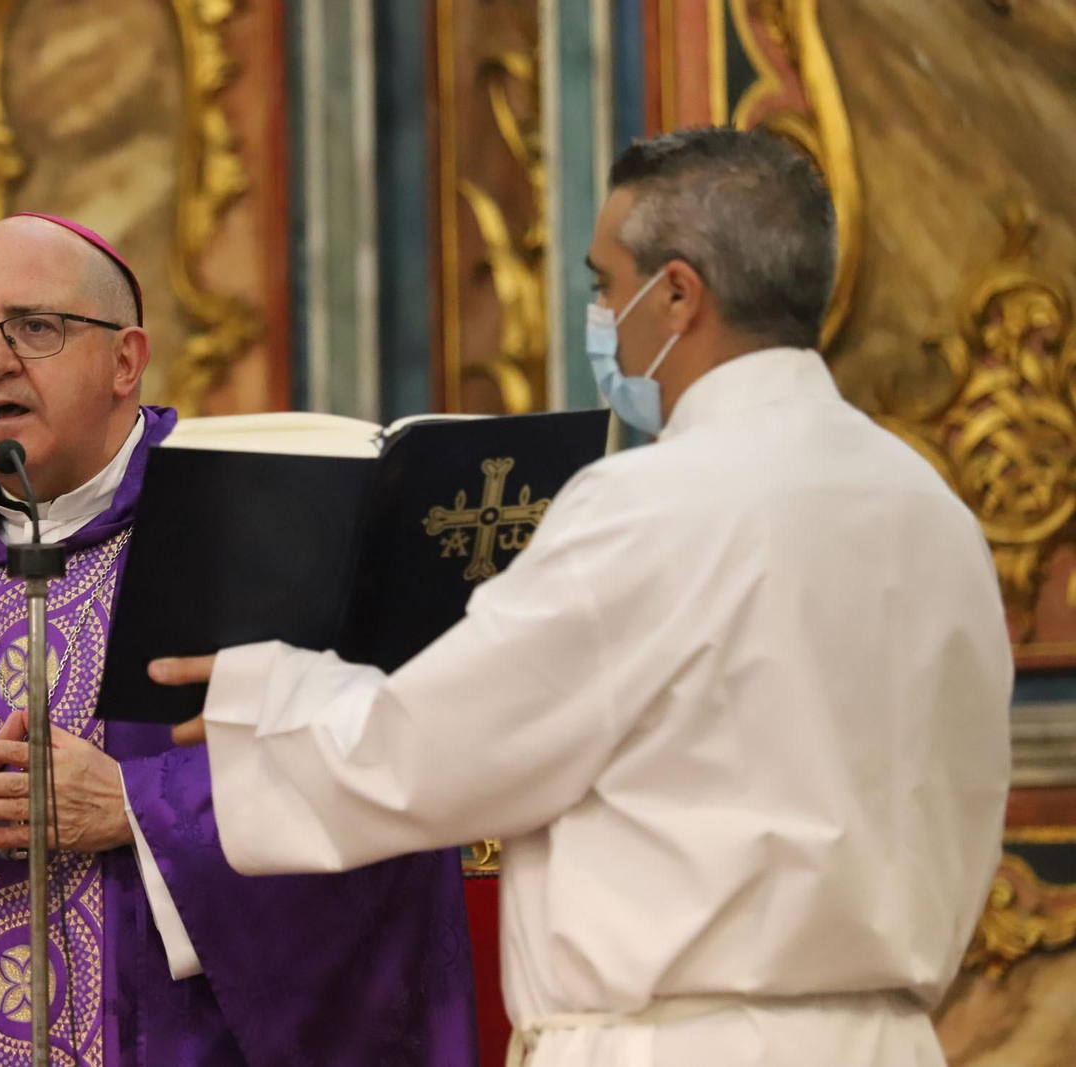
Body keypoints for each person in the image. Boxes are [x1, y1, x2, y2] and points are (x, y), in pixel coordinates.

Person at [152, 128, 1013, 1067]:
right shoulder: (932, 509)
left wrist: (265, 693)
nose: (602, 315)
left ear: (678, 294)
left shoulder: (652, 504)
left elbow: (434, 750)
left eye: (606, 285)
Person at [0, 213, 478, 1066]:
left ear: (127, 360)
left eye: (36, 327)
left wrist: (136, 808)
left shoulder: (262, 543)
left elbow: (388, 782)